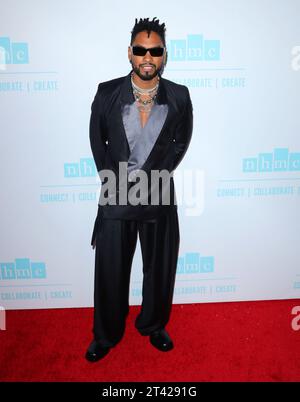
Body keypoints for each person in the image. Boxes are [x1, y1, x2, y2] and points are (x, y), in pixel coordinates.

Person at [86, 17, 193, 362]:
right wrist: (113, 180)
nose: (148, 56)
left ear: (164, 55)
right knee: (110, 267)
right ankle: (106, 332)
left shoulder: (179, 95)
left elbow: (181, 142)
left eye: (155, 50)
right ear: (130, 53)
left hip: (159, 192)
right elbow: (97, 141)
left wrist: (159, 172)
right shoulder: (107, 92)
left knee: (159, 266)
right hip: (118, 194)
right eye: (141, 49)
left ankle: (154, 324)